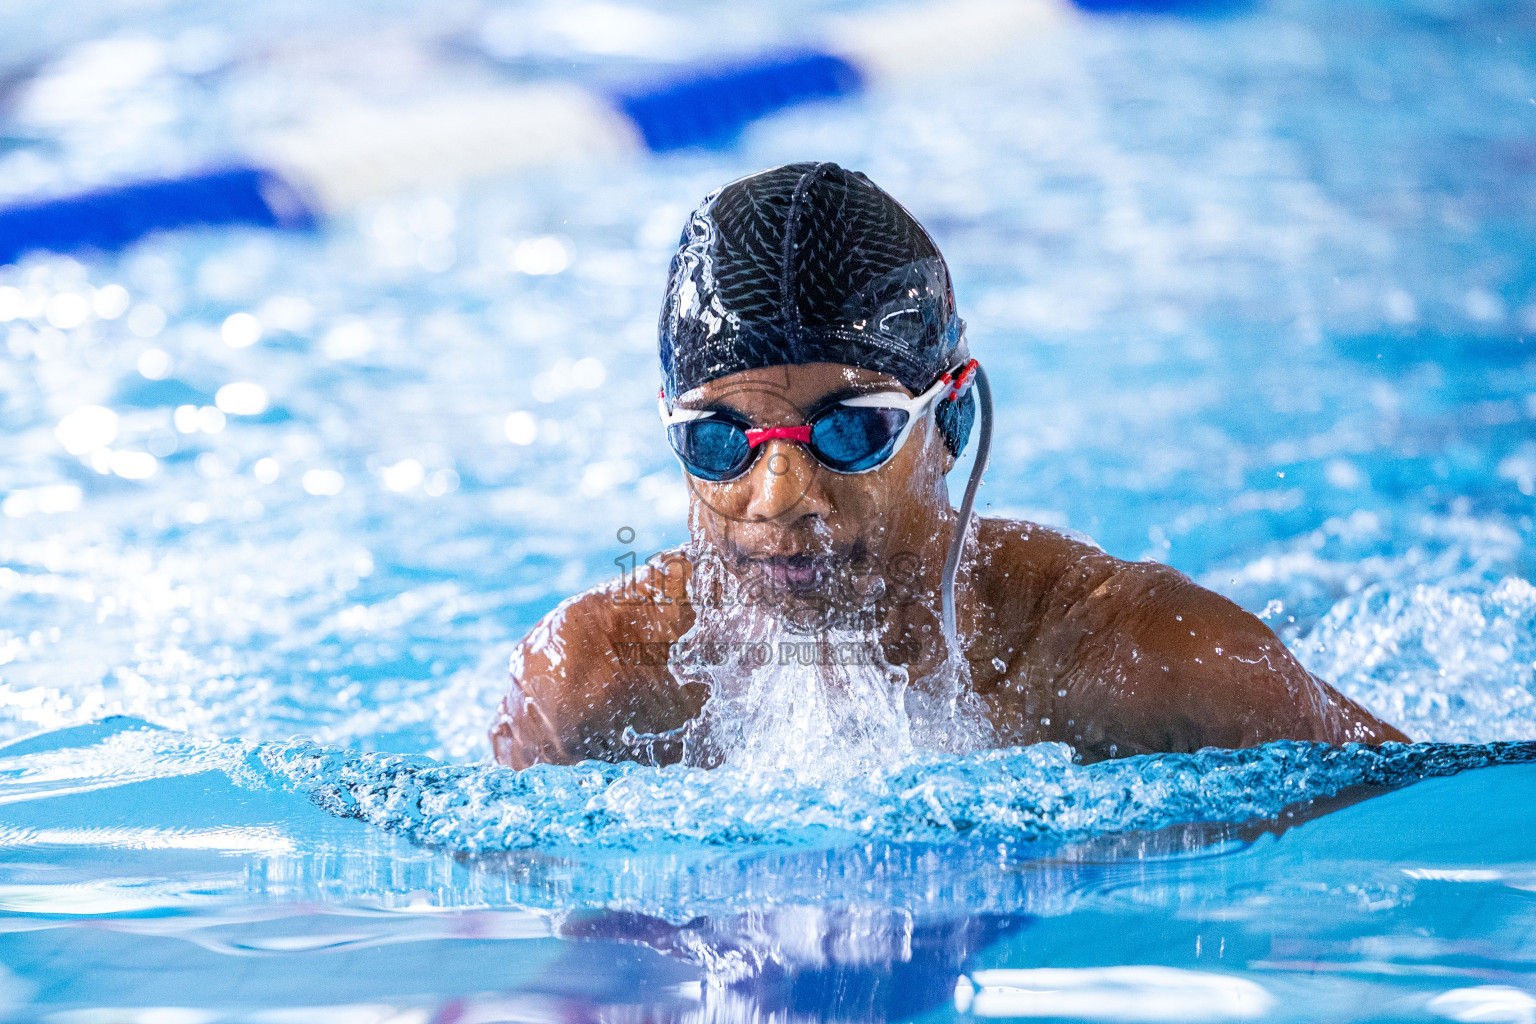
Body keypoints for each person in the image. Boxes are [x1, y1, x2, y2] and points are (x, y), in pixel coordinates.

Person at [488, 161, 1407, 769]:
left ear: (952, 416)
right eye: (721, 438)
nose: (777, 497)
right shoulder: (589, 690)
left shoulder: (1149, 666)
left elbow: (1432, 832)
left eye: (850, 428)